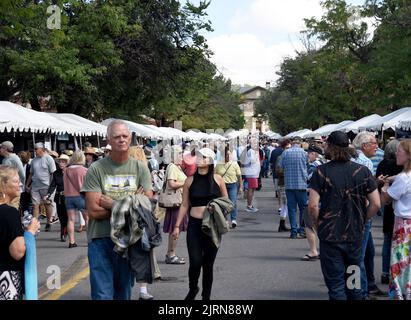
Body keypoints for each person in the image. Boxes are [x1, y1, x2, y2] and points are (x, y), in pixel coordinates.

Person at [81, 120, 153, 300]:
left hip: (129, 239)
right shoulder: (96, 169)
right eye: (116, 136)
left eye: (125, 136)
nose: (121, 140)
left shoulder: (140, 168)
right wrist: (130, 204)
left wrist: (113, 204)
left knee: (123, 293)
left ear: (130, 138)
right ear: (108, 140)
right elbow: (94, 212)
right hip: (100, 239)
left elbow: (146, 208)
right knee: (102, 294)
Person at [308, 131, 380, 300]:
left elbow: (312, 206)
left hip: (331, 236)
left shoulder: (321, 172)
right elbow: (376, 203)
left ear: (330, 147)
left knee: (336, 285)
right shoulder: (362, 171)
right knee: (353, 283)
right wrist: (363, 219)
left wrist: (319, 224)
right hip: (354, 237)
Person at [172, 148, 228, 300]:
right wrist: (177, 226)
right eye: (198, 156)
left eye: (203, 157)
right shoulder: (189, 180)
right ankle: (193, 288)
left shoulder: (218, 179)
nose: (198, 159)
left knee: (208, 264)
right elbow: (184, 205)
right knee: (195, 262)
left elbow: (227, 203)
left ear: (210, 160)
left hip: (212, 226)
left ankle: (206, 296)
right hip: (195, 226)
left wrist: (216, 207)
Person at [352, 131, 385, 298]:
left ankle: (369, 285)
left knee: (368, 252)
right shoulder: (365, 162)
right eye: (373, 143)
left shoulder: (355, 159)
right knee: (360, 254)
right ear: (364, 146)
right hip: (363, 213)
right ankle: (362, 291)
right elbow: (368, 194)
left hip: (357, 212)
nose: (377, 147)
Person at [0, 165, 40, 300]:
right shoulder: (9, 213)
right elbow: (17, 252)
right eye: (16, 181)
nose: (20, 184)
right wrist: (30, 232)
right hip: (6, 279)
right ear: (3, 185)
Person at [381, 139, 411, 300]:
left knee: (400, 261)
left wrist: (385, 187)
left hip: (403, 224)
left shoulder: (403, 178)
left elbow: (387, 198)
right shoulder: (403, 176)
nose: (397, 153)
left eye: (400, 151)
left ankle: (400, 293)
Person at [376, 139, 402, 285]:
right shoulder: (402, 167)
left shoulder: (383, 164)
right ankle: (398, 272)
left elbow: (378, 183)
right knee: (401, 242)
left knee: (387, 240)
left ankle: (385, 272)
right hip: (401, 208)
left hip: (387, 204)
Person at [163, 145, 188, 265]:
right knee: (175, 229)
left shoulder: (176, 167)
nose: (182, 157)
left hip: (178, 202)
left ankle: (170, 253)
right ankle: (171, 254)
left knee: (174, 229)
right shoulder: (173, 167)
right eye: (179, 154)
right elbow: (171, 184)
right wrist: (185, 183)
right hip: (175, 202)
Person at [280, 138, 308, 239]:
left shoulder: (285, 153)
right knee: (303, 209)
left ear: (291, 144)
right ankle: (302, 230)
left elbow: (281, 166)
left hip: (289, 185)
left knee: (292, 209)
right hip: (302, 185)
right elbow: (307, 166)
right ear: (299, 144)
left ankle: (293, 231)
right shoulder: (304, 153)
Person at [25, 142, 56, 231]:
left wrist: (51, 187)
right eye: (34, 149)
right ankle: (35, 225)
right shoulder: (34, 160)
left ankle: (49, 222)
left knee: (47, 204)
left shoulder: (49, 159)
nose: (34, 151)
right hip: (35, 186)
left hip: (46, 185)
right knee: (35, 205)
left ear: (42, 149)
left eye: (36, 149)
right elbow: (31, 173)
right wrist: (27, 185)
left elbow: (53, 173)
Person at [301, 145, 324, 261]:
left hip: (313, 199)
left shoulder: (314, 166)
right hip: (323, 199)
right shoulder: (323, 164)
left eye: (309, 153)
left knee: (309, 225)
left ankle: (313, 251)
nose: (307, 155)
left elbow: (308, 179)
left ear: (314, 154)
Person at [64, 151, 88, 248]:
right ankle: (89, 240)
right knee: (87, 218)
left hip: (68, 197)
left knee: (71, 220)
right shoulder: (84, 170)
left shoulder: (66, 170)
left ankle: (72, 242)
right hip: (80, 197)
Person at [215, 147, 243, 228]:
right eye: (226, 155)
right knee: (223, 203)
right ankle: (225, 220)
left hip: (232, 185)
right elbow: (214, 175)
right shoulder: (219, 164)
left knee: (232, 202)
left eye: (229, 154)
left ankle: (233, 219)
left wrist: (241, 186)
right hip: (222, 186)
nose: (228, 156)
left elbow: (239, 176)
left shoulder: (234, 164)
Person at [48, 154, 70, 242]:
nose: (61, 163)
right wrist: (48, 194)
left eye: (63, 162)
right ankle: (63, 231)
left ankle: (65, 232)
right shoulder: (56, 173)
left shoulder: (70, 172)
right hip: (59, 197)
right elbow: (53, 185)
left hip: (69, 197)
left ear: (67, 163)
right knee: (61, 216)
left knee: (68, 216)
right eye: (60, 161)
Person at [0, 141, 25, 210]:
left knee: (13, 208)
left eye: (1, 148)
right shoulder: (4, 159)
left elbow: (22, 174)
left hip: (14, 189)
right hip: (5, 189)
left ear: (5, 149)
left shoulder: (15, 158)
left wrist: (20, 187)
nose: (0, 150)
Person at [239, 136, 261, 212]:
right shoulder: (251, 151)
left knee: (252, 189)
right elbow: (251, 161)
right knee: (251, 190)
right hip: (251, 173)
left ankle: (250, 205)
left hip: (254, 173)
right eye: (254, 143)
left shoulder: (254, 151)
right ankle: (249, 206)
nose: (256, 144)